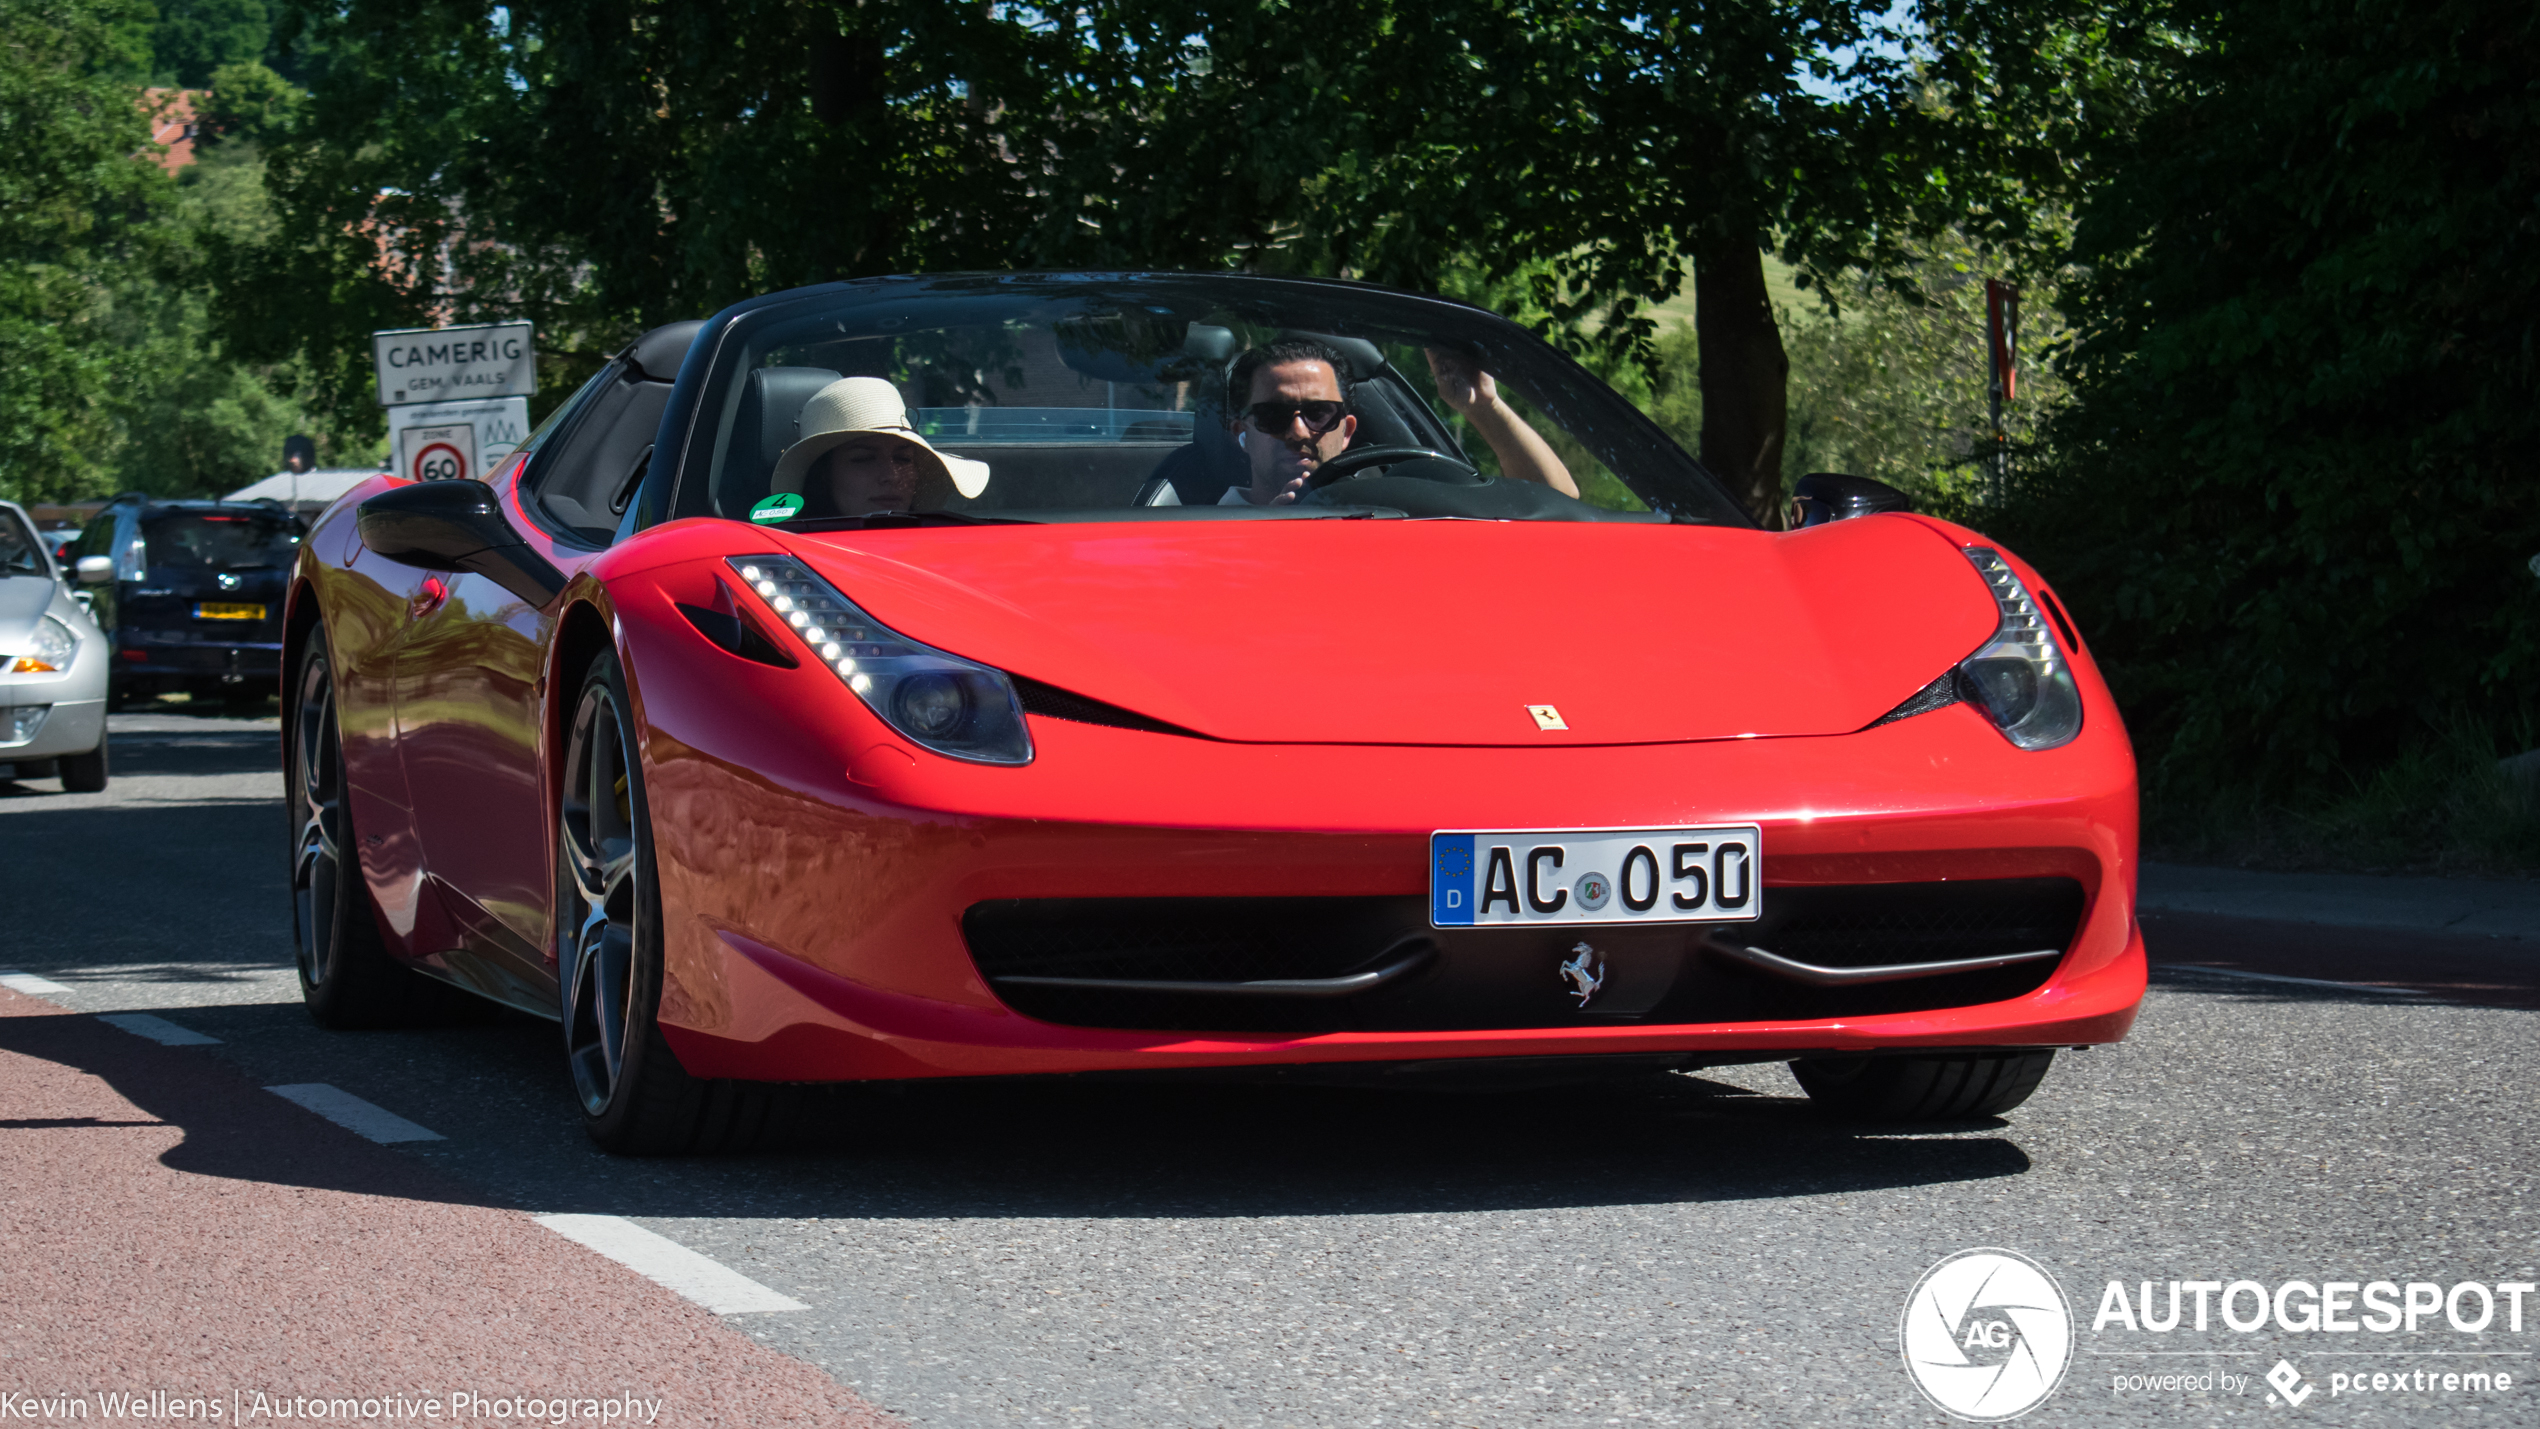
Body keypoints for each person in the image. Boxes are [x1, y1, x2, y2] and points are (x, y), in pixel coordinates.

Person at [1218, 338, 1579, 506]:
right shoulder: (1195, 529)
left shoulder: (1398, 503)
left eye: (1319, 413)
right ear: (1241, 433)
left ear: (1347, 432)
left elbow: (1557, 503)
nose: (1298, 431)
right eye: (1273, 416)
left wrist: (1483, 405)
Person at [769, 377, 991, 516]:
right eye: (864, 459)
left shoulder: (947, 551)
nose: (892, 477)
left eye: (904, 459)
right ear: (824, 473)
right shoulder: (787, 566)